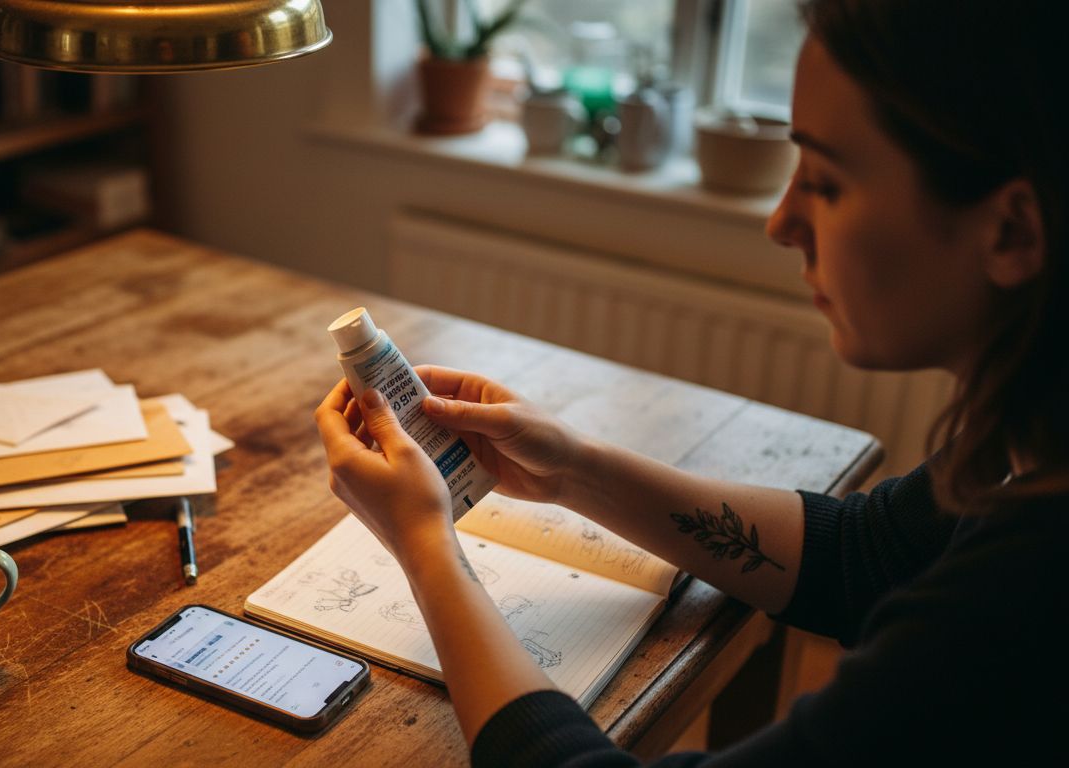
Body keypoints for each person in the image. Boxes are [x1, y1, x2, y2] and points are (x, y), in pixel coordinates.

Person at [314, 0, 1067, 765]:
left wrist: (424, 545)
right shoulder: (1030, 428)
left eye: (827, 182)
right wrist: (571, 466)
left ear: (1010, 231)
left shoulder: (1026, 595)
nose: (781, 222)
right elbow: (863, 557)